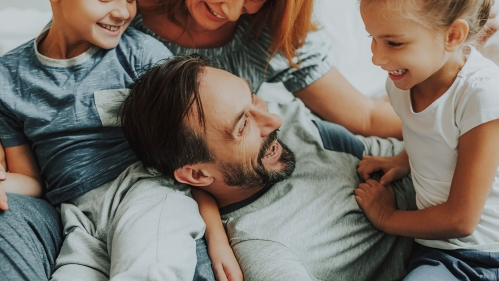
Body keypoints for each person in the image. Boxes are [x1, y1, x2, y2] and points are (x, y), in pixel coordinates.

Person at [120, 54, 418, 281]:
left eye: (253, 98)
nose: (273, 121)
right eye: (243, 125)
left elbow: (404, 144)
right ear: (197, 174)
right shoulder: (267, 251)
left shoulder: (288, 132)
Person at [0, 0, 215, 280]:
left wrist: (218, 236)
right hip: (77, 218)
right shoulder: (7, 77)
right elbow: (30, 180)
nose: (123, 12)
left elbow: (196, 153)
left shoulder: (142, 55)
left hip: (142, 191)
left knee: (149, 269)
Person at [355, 0, 499, 280]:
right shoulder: (401, 82)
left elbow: (461, 220)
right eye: (372, 38)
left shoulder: (480, 95)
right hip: (438, 250)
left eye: (394, 43)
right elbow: (435, 134)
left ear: (452, 36)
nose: (377, 58)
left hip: (482, 253)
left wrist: (387, 218)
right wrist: (403, 160)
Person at [131, 0, 404, 139]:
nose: (233, 10)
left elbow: (366, 115)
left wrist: (443, 124)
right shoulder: (119, 12)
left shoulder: (266, 32)